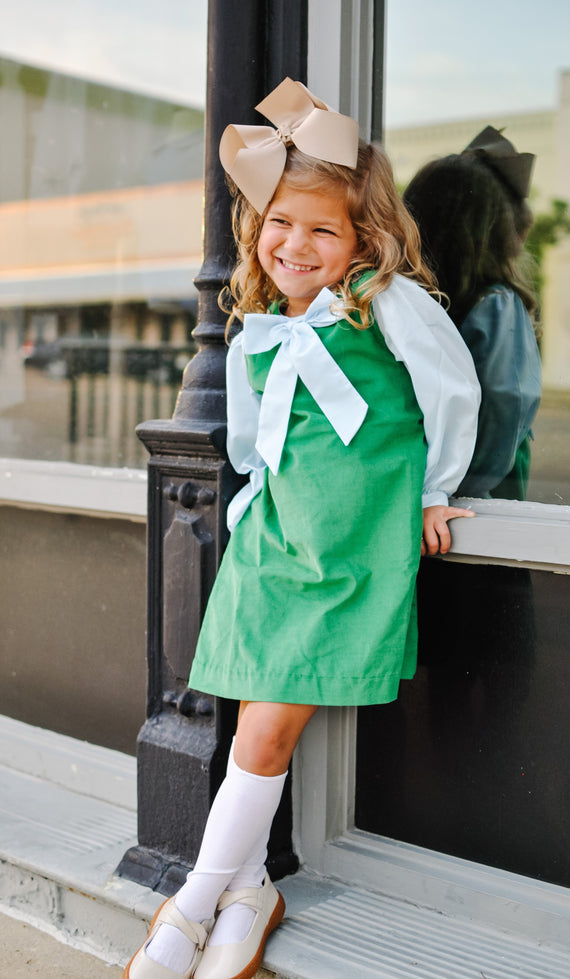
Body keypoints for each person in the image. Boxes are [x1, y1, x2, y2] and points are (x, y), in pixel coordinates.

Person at [123, 77, 480, 979]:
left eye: (323, 229)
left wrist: (438, 491)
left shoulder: (384, 304)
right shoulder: (257, 327)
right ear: (256, 225)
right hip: (275, 539)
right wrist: (247, 510)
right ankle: (249, 897)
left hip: (349, 549)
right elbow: (252, 438)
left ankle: (192, 901)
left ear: (364, 238)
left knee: (266, 729)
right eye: (281, 222)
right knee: (254, 721)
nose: (297, 245)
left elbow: (453, 390)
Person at [403, 126, 542, 500]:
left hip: (412, 494)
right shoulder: (496, 306)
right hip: (473, 503)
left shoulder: (400, 299)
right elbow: (505, 406)